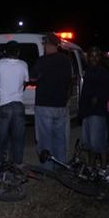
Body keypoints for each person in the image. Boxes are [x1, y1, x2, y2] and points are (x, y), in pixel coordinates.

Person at [30, 34, 73, 169]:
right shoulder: (66, 60)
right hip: (61, 105)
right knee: (60, 139)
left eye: (44, 45)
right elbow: (70, 80)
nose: (43, 47)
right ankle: (61, 167)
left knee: (45, 139)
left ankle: (48, 169)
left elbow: (32, 78)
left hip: (44, 105)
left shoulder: (42, 61)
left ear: (48, 45)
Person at [78, 47, 109, 168]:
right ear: (88, 58)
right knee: (88, 143)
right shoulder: (89, 71)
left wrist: (99, 97)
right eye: (91, 56)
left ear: (100, 58)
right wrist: (81, 112)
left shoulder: (102, 72)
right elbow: (84, 94)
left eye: (96, 56)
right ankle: (91, 167)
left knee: (97, 143)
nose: (94, 58)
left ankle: (103, 167)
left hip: (97, 112)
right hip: (87, 112)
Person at [0, 41, 29, 166]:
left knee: (0, 139)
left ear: (6, 52)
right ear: (18, 52)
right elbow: (25, 83)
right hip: (18, 105)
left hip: (3, 105)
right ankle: (17, 165)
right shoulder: (23, 64)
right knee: (18, 139)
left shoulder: (0, 63)